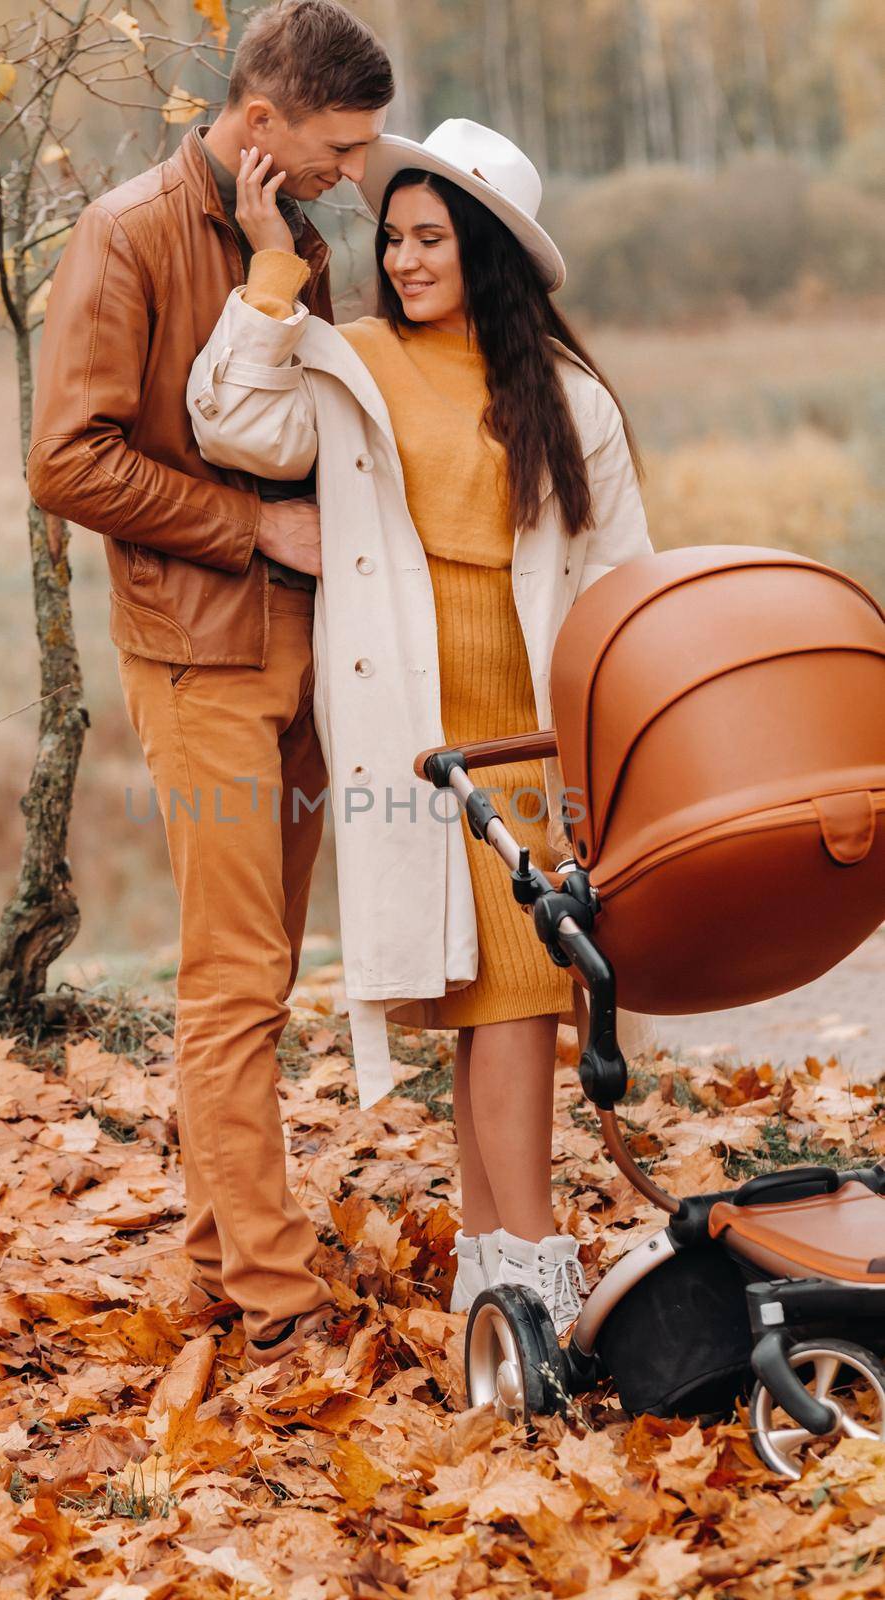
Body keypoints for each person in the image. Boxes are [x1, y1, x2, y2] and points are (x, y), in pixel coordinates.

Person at [187, 118, 657, 1337]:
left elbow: (618, 580)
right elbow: (231, 423)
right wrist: (269, 275)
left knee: (514, 990)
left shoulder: (566, 399)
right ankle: (518, 1271)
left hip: (532, 739)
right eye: (391, 237)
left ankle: (510, 1270)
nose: (400, 260)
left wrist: (622, 746)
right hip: (410, 731)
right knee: (481, 997)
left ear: (487, 250)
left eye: (429, 238)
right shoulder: (346, 364)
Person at [26, 0, 394, 1369]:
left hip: (308, 647)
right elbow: (67, 462)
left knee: (266, 968)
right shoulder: (123, 233)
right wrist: (249, 532)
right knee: (233, 976)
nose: (352, 173)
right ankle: (279, 1301)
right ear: (260, 125)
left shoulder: (288, 232)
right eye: (337, 145)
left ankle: (213, 1257)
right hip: (197, 654)